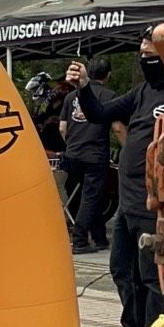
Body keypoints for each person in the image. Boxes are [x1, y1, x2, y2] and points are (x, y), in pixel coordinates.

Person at [70, 29, 164, 327]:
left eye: (151, 55)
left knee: (152, 274)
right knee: (121, 267)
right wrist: (84, 86)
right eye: (142, 54)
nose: (145, 60)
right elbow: (100, 113)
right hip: (128, 199)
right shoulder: (144, 91)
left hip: (157, 200)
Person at [59, 59, 121, 254]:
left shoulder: (71, 96)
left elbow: (62, 127)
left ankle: (99, 236)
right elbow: (117, 127)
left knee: (90, 195)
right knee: (92, 197)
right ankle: (79, 239)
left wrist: (71, 143)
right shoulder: (109, 96)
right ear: (108, 75)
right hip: (95, 153)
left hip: (72, 154)